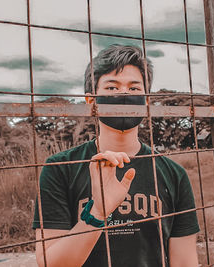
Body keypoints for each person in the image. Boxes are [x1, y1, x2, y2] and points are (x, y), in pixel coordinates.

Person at [33, 45, 200, 267]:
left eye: (134, 89)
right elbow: (50, 263)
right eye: (111, 88)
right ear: (91, 99)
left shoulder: (174, 175)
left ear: (147, 99)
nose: (123, 95)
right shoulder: (60, 168)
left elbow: (185, 261)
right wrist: (97, 212)